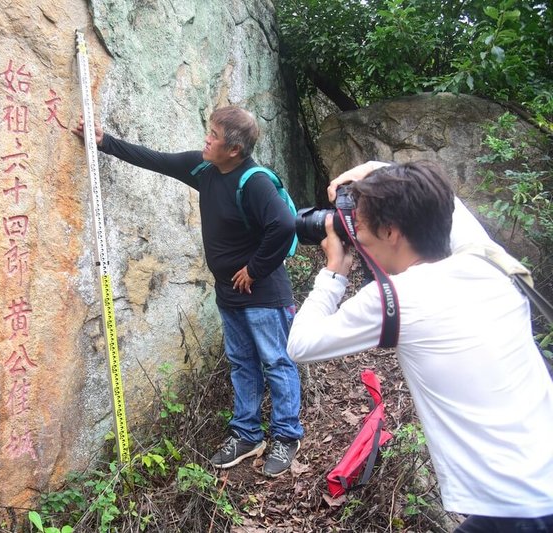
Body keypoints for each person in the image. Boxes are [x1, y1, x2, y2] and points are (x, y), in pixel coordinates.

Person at [287, 160, 553, 531]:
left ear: (391, 231)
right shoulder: (486, 258)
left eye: (360, 228)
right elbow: (447, 201)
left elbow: (300, 345)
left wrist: (335, 268)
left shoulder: (397, 297)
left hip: (519, 505)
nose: (357, 235)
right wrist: (380, 170)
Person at [74, 106, 304, 477]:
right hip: (229, 293)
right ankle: (247, 434)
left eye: (213, 134)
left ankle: (287, 436)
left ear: (234, 149)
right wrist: (105, 143)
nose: (206, 139)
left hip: (262, 293)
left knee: (276, 362)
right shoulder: (204, 169)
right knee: (243, 363)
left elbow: (284, 225)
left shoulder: (255, 181)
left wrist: (254, 269)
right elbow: (156, 160)